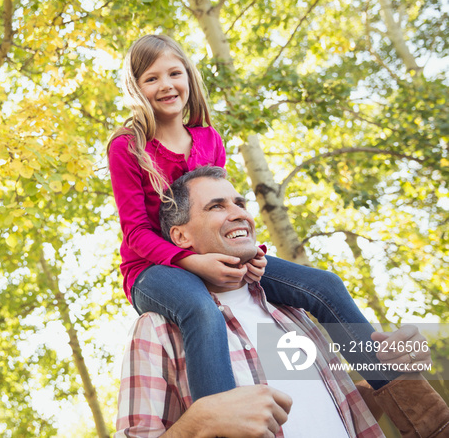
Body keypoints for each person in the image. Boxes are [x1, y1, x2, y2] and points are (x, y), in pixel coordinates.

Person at [107, 34, 399, 402]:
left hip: (217, 252)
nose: (166, 85)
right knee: (201, 309)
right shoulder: (127, 146)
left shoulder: (209, 139)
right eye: (152, 78)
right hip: (153, 269)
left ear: (189, 77)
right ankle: (225, 419)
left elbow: (227, 210)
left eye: (174, 73)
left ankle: (409, 402)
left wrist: (252, 252)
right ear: (137, 88)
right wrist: (192, 262)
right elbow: (136, 232)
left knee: (324, 286)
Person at [114, 166, 447, 437]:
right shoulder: (158, 331)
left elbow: (334, 407)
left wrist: (400, 372)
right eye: (216, 206)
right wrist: (199, 424)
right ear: (181, 237)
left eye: (240, 203)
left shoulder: (290, 312)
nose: (238, 214)